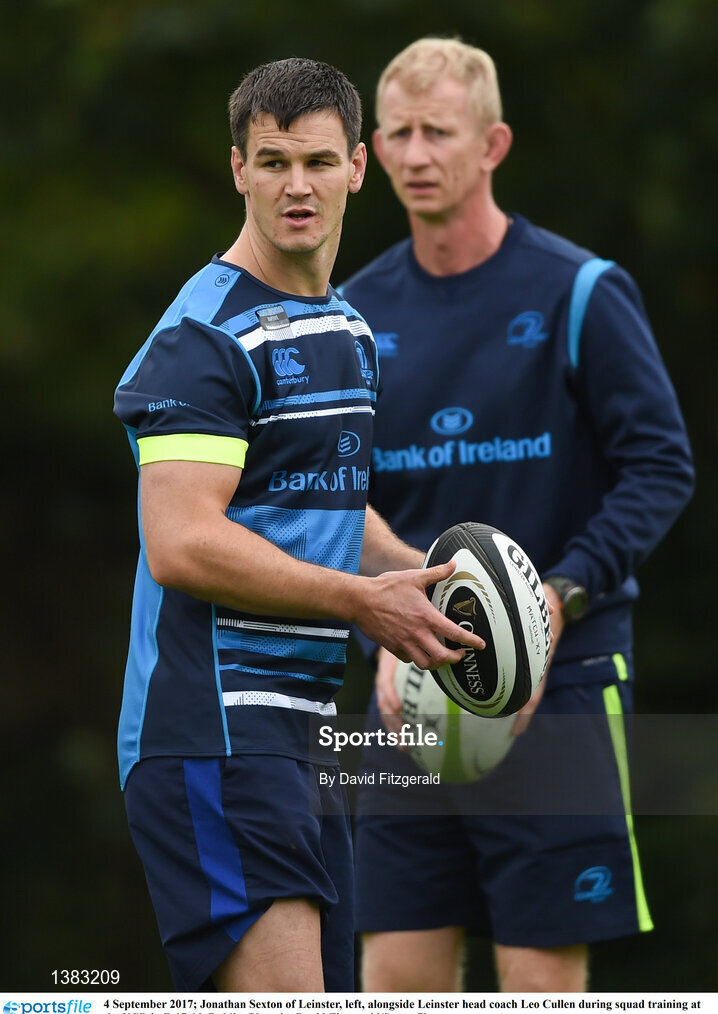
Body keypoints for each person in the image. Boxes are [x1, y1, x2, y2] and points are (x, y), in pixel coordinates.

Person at [113, 56, 484, 994]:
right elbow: (184, 540)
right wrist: (364, 605)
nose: (297, 187)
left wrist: (429, 582)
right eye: (272, 162)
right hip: (213, 733)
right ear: (237, 168)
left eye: (317, 162)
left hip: (303, 739)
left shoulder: (345, 328)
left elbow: (318, 504)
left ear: (358, 167)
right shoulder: (202, 340)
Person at [340, 38, 694, 993]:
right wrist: (381, 606)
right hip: (409, 681)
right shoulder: (353, 313)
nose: (416, 156)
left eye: (439, 133)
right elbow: (332, 493)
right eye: (399, 135)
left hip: (562, 683)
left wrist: (553, 599)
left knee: (538, 980)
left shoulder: (580, 292)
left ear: (492, 143)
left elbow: (662, 468)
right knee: (397, 978)